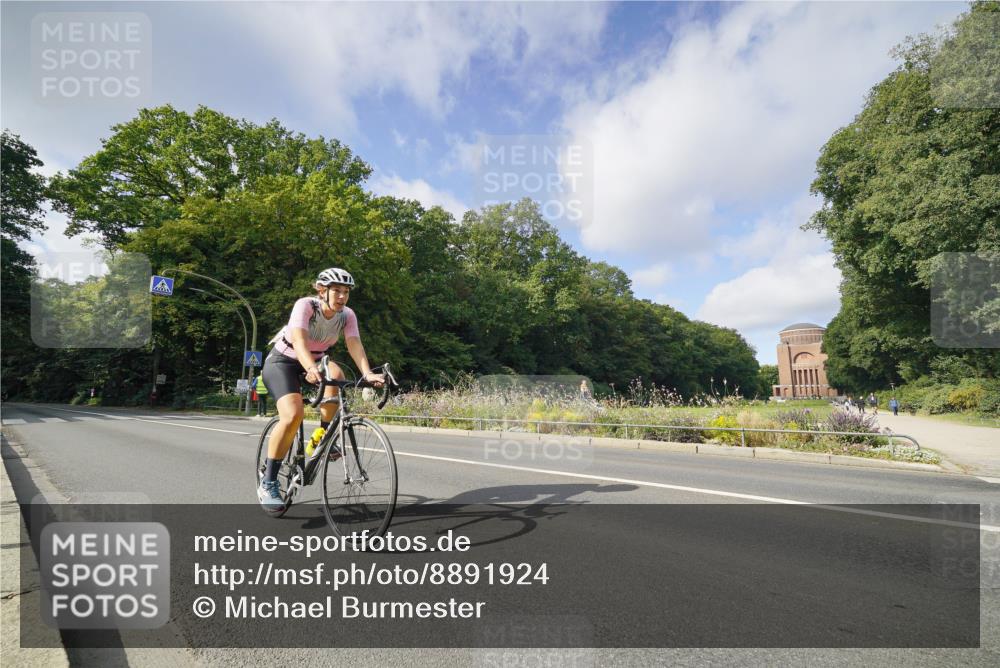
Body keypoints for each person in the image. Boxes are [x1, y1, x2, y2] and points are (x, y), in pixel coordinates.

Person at [257, 268, 384, 513]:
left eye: (346, 292)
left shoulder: (347, 315)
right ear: (322, 290)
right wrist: (309, 368)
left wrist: (367, 373)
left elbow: (354, 344)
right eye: (336, 291)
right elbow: (300, 340)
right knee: (293, 415)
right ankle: (269, 480)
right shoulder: (306, 306)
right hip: (283, 361)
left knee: (337, 374)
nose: (342, 297)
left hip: (316, 361)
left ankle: (322, 438)